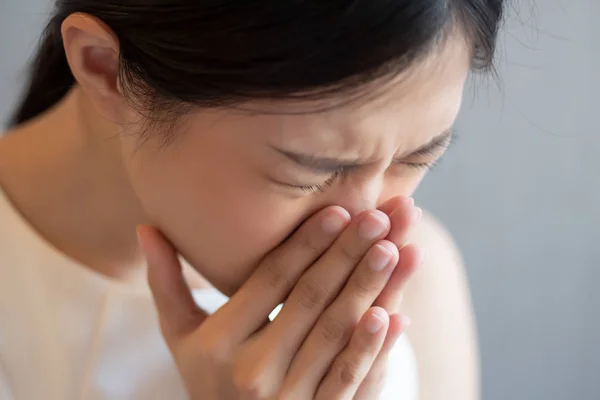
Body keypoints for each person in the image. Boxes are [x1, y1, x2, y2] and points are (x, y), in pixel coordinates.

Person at [0, 0, 505, 399]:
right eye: (309, 171)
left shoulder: (412, 290)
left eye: (416, 160)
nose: (367, 226)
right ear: (106, 68)